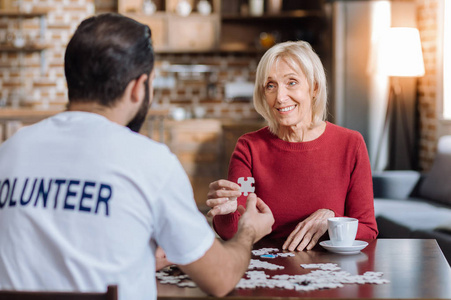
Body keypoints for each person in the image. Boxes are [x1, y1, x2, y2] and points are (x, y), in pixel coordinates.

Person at [0, 13, 274, 300]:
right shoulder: (149, 161)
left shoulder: (9, 152)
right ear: (137, 88)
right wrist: (248, 232)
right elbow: (220, 279)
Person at [206, 40, 378, 252]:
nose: (280, 97)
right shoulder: (249, 148)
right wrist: (226, 211)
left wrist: (332, 221)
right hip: (265, 272)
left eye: (292, 82)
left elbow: (368, 229)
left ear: (314, 88)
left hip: (330, 273)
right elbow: (233, 231)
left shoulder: (351, 144)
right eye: (271, 85)